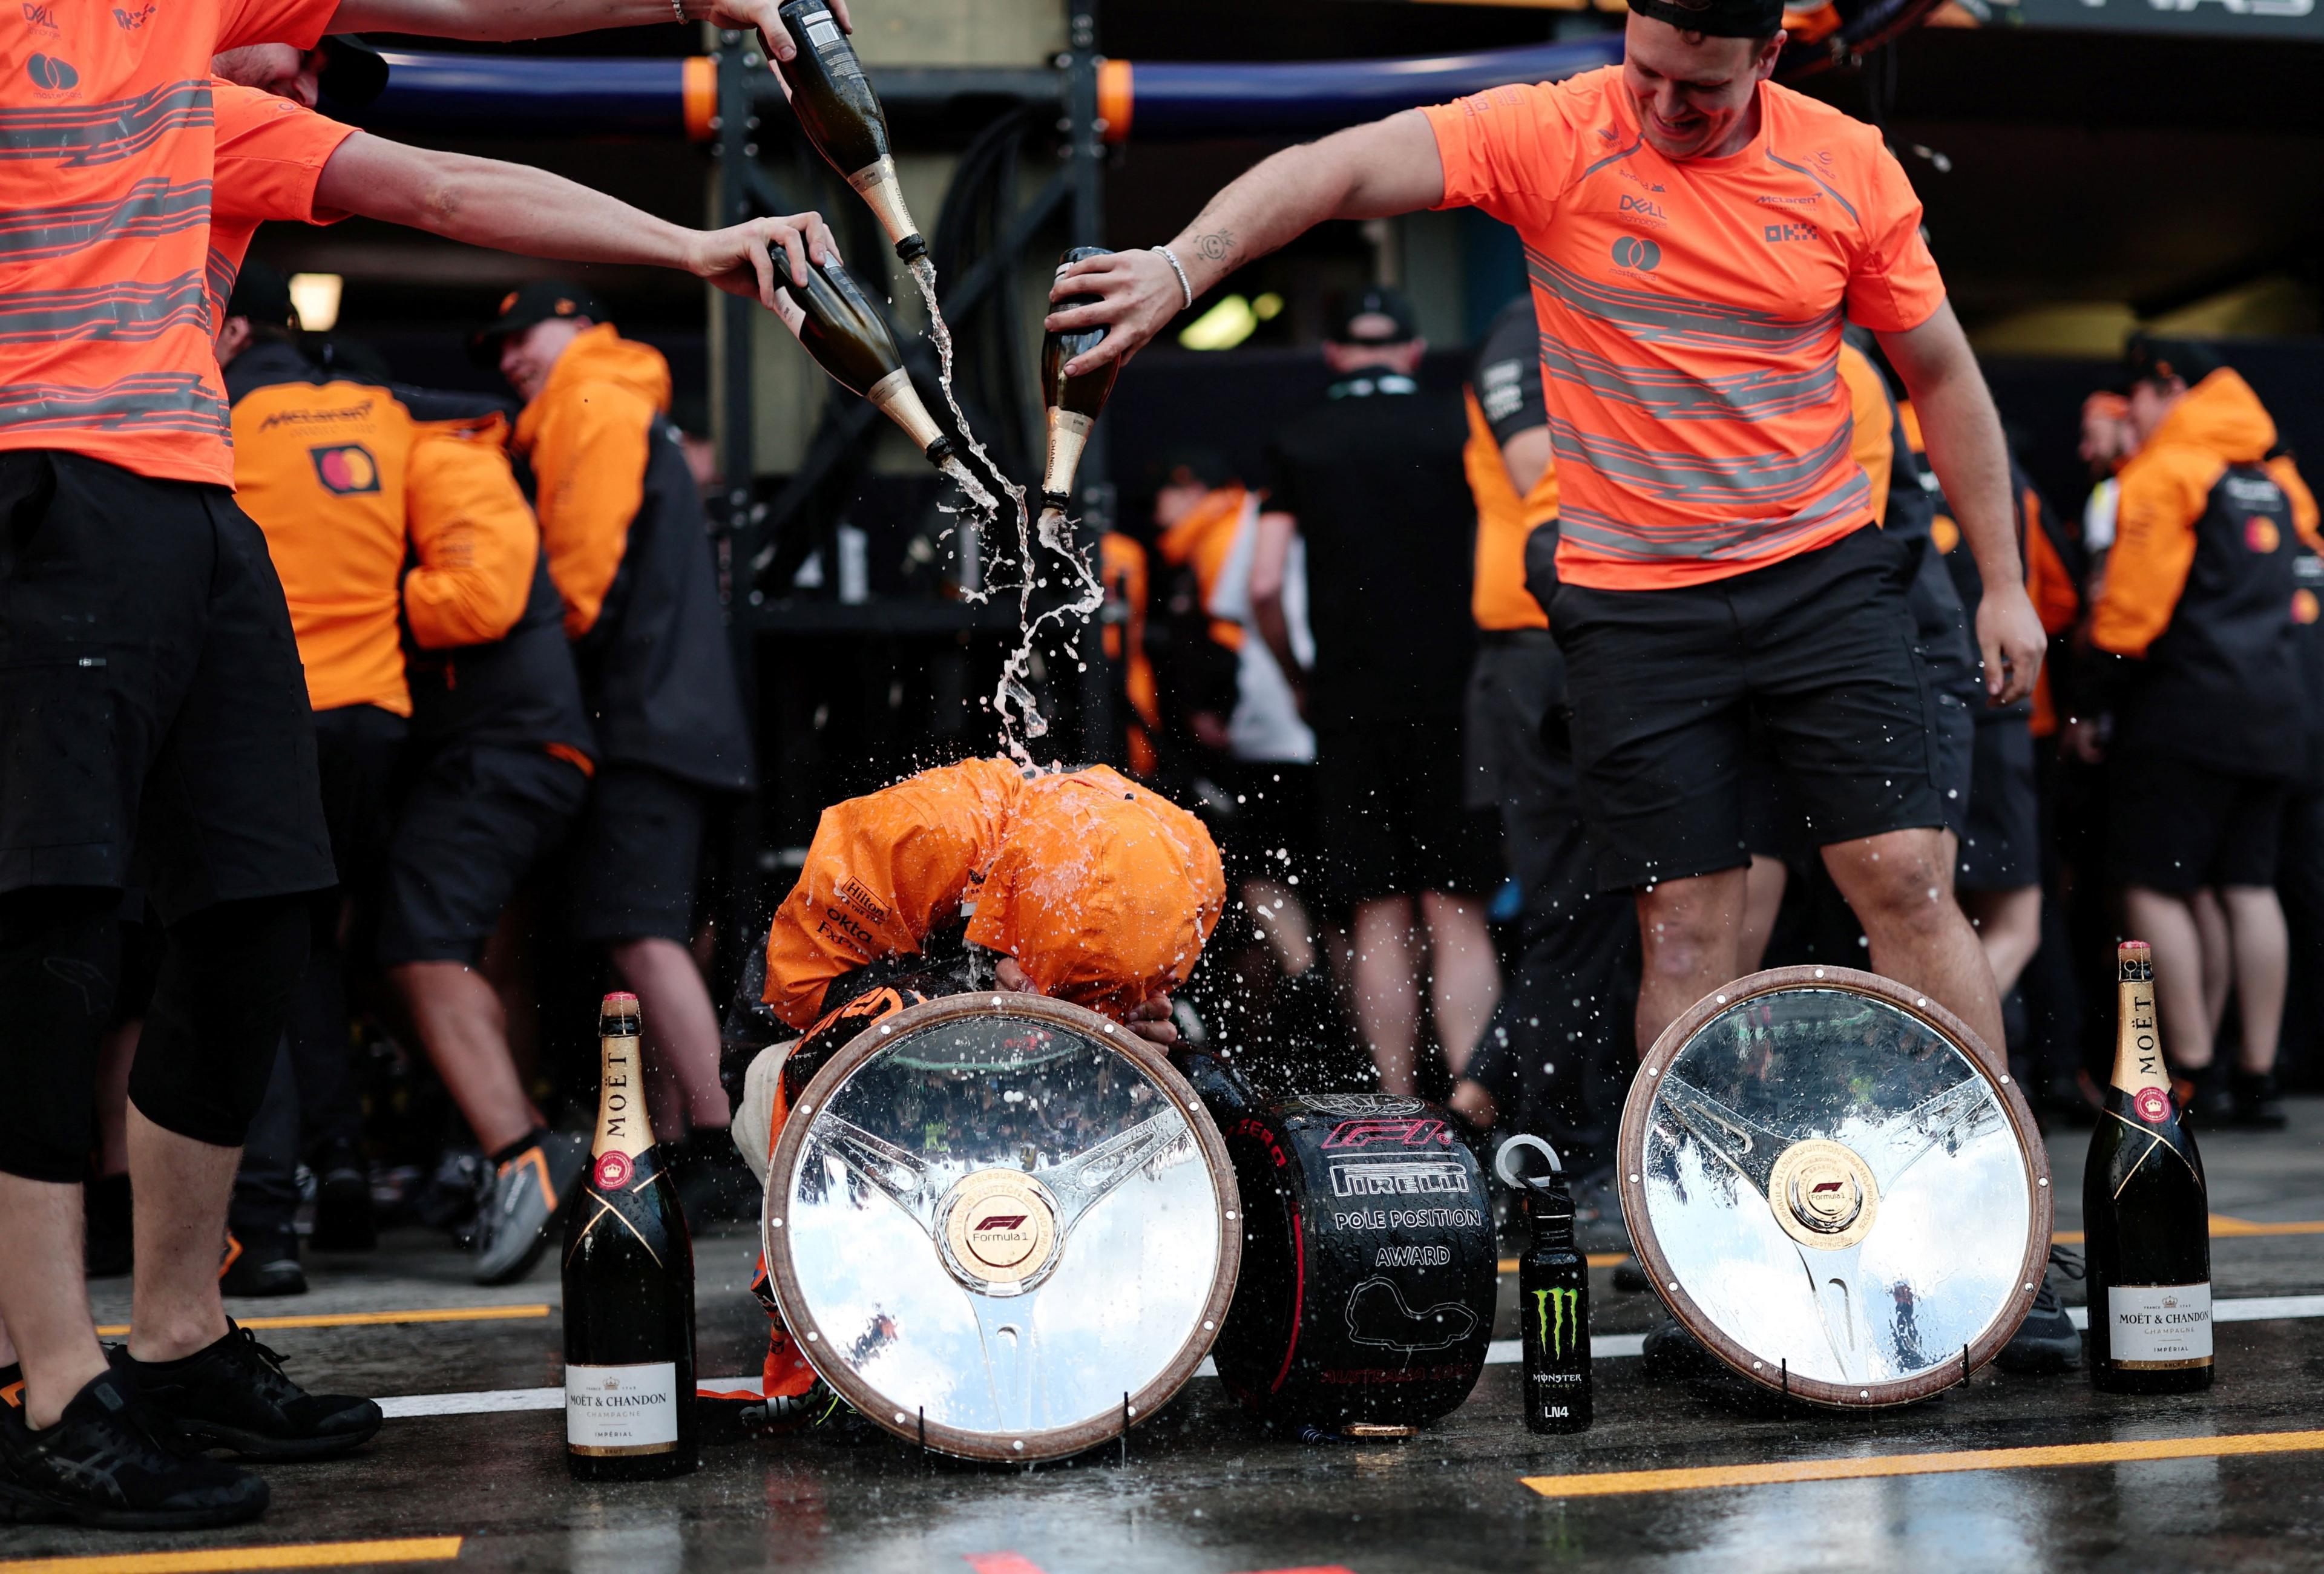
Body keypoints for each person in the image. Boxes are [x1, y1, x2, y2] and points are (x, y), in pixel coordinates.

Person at [0, 0, 845, 1532]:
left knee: (259, 908)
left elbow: (448, 170)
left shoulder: (211, 107)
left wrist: (692, 221)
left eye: (312, 58)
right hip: (35, 489)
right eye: (297, 55)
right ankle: (46, 1382)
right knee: (51, 937)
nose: (302, 66)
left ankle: (178, 1331)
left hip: (192, 502)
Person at [1045, 0, 2046, 1072]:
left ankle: (1996, 1207)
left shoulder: (1847, 162)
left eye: (1701, 91)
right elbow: (1333, 167)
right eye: (1645, 71)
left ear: (1769, 54)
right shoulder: (1554, 131)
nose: (1663, 107)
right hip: (1637, 601)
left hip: (1823, 574)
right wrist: (1182, 267)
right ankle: (1689, 1225)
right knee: (1684, 923)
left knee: (1904, 877)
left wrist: (2004, 582)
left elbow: (1939, 371)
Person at [724, 759, 1226, 1409]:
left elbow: (1157, 1028)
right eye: (1070, 989)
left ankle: (1066, 1304)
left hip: (1018, 1081)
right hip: (843, 1061)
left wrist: (1141, 1036)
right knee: (772, 1084)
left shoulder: (1187, 861)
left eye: (1105, 994)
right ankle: (880, 1318)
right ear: (1005, 904)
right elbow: (783, 1017)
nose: (1086, 1006)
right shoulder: (913, 840)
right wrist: (965, 996)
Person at [479, 283, 757, 1193]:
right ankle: (680, 1136)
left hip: (640, 717)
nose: (512, 355)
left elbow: (581, 576)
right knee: (662, 927)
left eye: (529, 333)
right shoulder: (630, 405)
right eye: (501, 344)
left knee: (640, 929)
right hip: (679, 718)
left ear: (586, 327)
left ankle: (722, 1141)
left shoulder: (591, 399)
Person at [1251, 287, 1503, 1098]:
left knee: (1378, 911)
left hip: (1349, 702)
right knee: (1458, 908)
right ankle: (1471, 1096)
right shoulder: (1460, 426)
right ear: (1413, 353)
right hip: (1456, 696)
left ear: (1333, 357)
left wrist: (1300, 679)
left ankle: (1398, 1103)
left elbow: (1261, 583)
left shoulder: (1298, 438)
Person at [2080, 336, 2320, 1128]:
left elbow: (2130, 619)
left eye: (2137, 400)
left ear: (2166, 387)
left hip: (2186, 711)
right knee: (2246, 888)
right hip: (2279, 709)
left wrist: (2092, 694)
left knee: (2157, 883)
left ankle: (2189, 1071)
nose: (2134, 417)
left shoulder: (2172, 470)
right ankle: (2255, 1075)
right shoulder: (2278, 481)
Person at [1450, 294, 1633, 1205]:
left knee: (1619, 897)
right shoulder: (1528, 330)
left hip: (1590, 635)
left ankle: (1497, 1093)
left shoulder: (1593, 324)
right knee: (1581, 901)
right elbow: (1539, 470)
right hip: (1550, 637)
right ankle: (1554, 1139)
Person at [1150, 451, 1337, 1084]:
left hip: (1276, 724)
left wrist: (1285, 680)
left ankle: (1301, 983)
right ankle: (1329, 1017)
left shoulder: (1253, 514)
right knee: (1350, 894)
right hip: (1349, 721)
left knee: (1264, 875)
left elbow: (1242, 600)